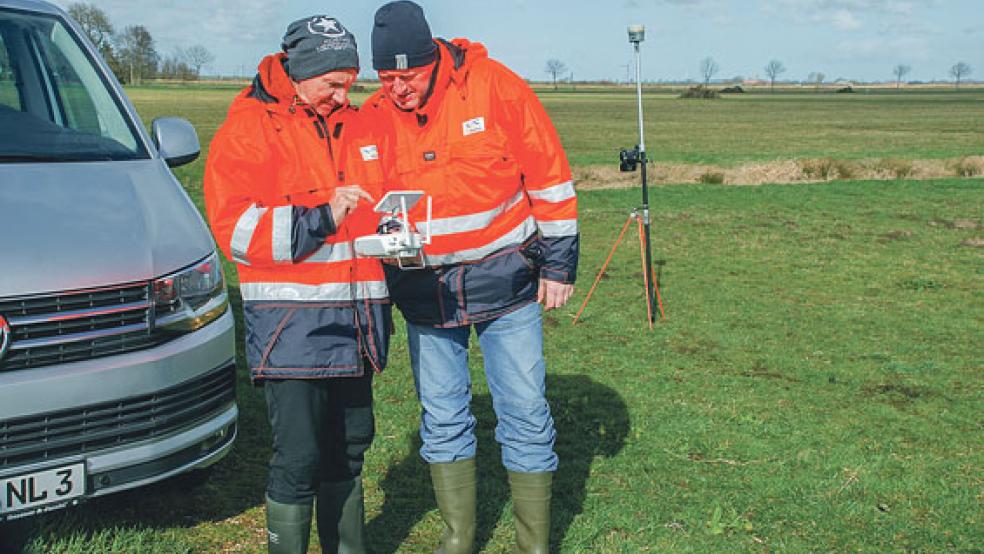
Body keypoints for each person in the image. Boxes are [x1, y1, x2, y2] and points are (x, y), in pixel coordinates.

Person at [363, 2, 579, 552]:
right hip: (427, 297)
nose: (398, 90)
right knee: (441, 415)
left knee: (526, 410)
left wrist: (557, 266)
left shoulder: (495, 87)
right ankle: (459, 537)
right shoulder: (373, 116)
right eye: (387, 78)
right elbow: (372, 210)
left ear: (433, 59)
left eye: (407, 77)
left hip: (509, 286)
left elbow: (549, 174)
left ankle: (535, 543)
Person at [203, 15, 391, 554]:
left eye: (349, 82)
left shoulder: (358, 125)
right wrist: (322, 217)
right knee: (299, 457)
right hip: (292, 331)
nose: (344, 94)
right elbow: (236, 230)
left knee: (350, 448)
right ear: (301, 73)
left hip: (356, 323)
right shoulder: (249, 128)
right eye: (333, 83)